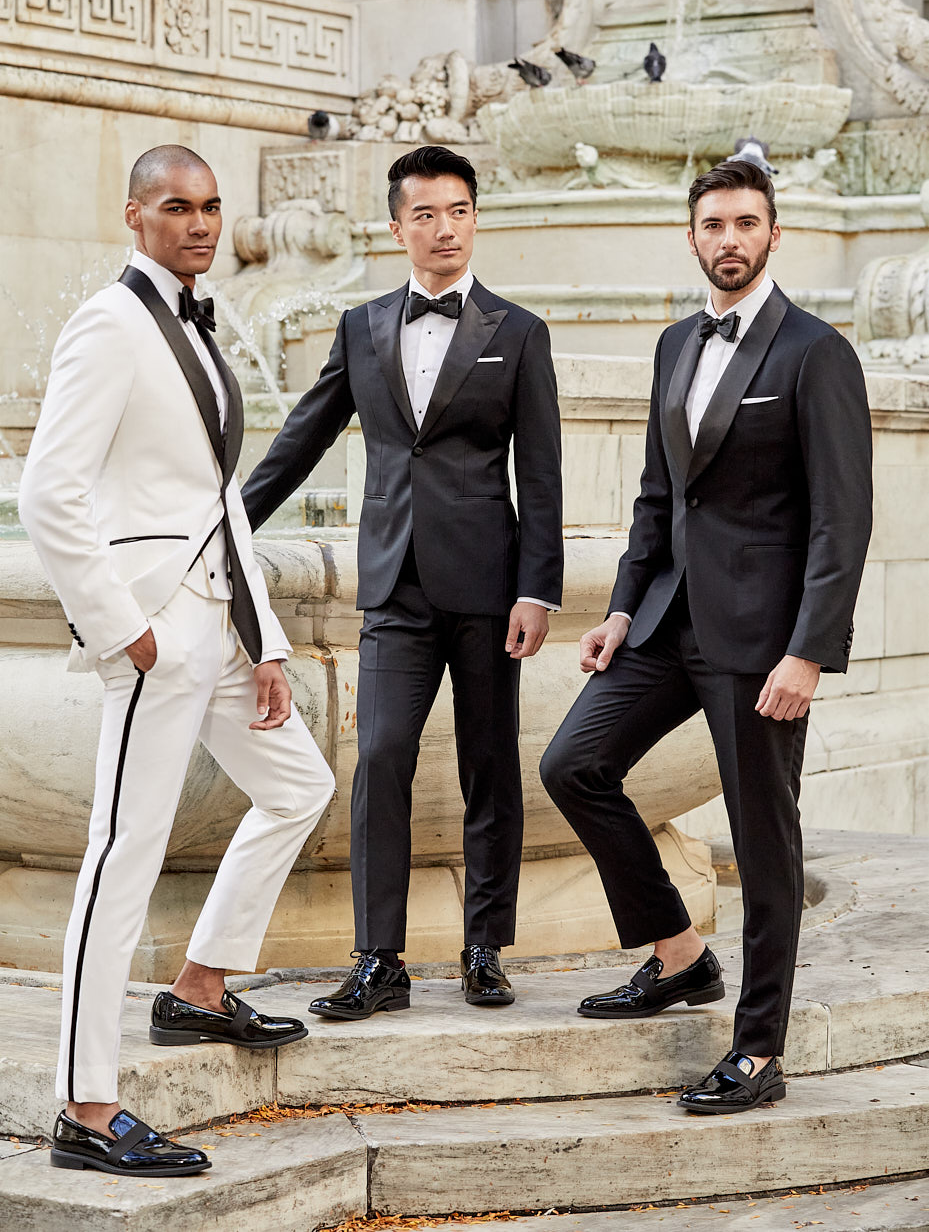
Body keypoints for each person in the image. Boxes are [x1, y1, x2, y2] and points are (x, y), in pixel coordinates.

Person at [19, 145, 335, 1177]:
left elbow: (217, 505)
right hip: (153, 631)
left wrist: (268, 639)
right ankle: (87, 1101)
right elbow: (47, 494)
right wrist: (120, 629)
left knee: (299, 782)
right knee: (122, 853)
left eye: (209, 208)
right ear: (133, 215)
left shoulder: (194, 325)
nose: (198, 224)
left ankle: (199, 987)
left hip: (219, 626)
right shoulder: (109, 324)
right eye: (175, 207)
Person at [540, 159, 872, 1115]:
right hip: (663, 623)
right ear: (692, 238)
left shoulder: (815, 353)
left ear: (774, 236)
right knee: (572, 765)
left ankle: (758, 1050)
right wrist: (615, 609)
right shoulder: (673, 344)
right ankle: (680, 955)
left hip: (761, 643)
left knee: (765, 841)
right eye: (713, 224)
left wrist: (807, 652)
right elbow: (659, 498)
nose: (728, 238)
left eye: (745, 223)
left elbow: (840, 521)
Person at [243, 145, 563, 1018]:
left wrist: (538, 589)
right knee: (379, 758)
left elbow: (540, 476)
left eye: (456, 210)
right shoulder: (362, 327)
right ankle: (378, 960)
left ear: (474, 218)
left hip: (490, 589)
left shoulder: (519, 332)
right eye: (424, 214)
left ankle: (484, 948)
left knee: (489, 767)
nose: (443, 228)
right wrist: (227, 526)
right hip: (392, 588)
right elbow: (301, 440)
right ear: (397, 228)